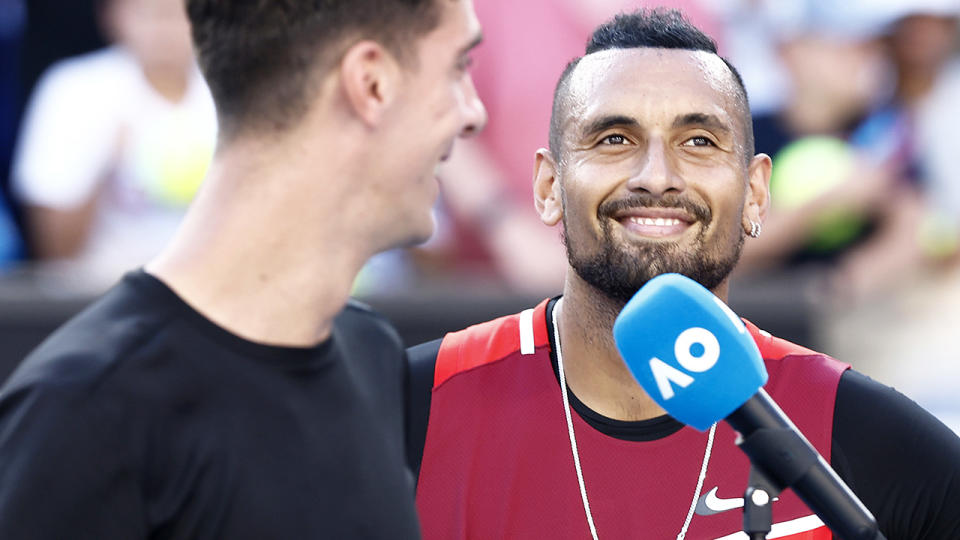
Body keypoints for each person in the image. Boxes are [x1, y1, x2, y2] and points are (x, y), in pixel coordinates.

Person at [407, 9, 960, 540]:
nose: (657, 176)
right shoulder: (414, 404)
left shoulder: (849, 422)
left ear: (756, 193)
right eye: (613, 139)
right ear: (549, 187)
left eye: (699, 142)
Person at [0, 0, 486, 537]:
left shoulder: (370, 355)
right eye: (457, 68)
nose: (473, 112)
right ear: (369, 81)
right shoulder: (82, 407)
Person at [11, 0, 217, 291]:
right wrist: (103, 162)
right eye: (148, 14)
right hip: (100, 298)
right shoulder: (75, 90)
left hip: (213, 295)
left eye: (178, 14)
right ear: (112, 17)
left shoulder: (237, 88)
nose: (163, 30)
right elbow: (54, 253)